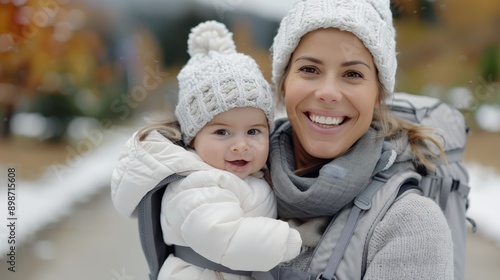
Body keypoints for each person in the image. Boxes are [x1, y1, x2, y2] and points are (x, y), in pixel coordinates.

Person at [265, 0, 454, 279]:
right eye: (309, 69)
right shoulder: (228, 177)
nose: (328, 92)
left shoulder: (410, 223)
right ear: (283, 83)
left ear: (378, 95)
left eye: (352, 74)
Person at [110, 21, 301, 280]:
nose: (241, 145)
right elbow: (224, 237)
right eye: (222, 132)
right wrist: (291, 241)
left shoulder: (249, 175)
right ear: (192, 139)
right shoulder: (195, 184)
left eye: (253, 131)